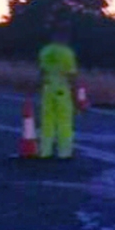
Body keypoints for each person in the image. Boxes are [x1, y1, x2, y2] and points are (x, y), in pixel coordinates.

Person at [37, 25, 78, 159]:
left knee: (47, 121)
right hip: (62, 88)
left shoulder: (45, 51)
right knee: (64, 121)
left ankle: (45, 151)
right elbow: (71, 74)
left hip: (47, 87)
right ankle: (64, 152)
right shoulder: (67, 53)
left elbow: (41, 72)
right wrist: (75, 93)